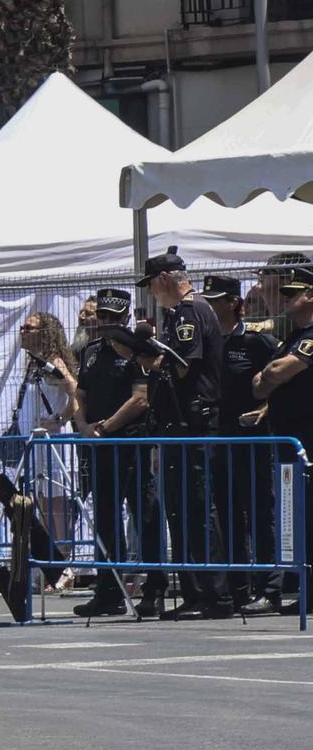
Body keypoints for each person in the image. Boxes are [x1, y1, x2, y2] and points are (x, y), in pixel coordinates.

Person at [140, 247, 230, 618]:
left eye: (151, 285)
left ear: (164, 280)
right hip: (185, 421)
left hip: (194, 419)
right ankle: (197, 592)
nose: (151, 293)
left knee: (195, 506)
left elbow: (182, 367)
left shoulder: (188, 312)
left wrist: (154, 360)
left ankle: (213, 594)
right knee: (183, 507)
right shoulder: (185, 312)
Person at [71, 290, 162, 618]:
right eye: (103, 316)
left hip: (130, 443)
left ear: (124, 317)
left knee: (145, 514)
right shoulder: (91, 352)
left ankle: (154, 589)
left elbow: (141, 398)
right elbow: (80, 393)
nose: (107, 323)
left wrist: (106, 427)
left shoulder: (139, 352)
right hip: (100, 445)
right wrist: (82, 425)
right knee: (106, 519)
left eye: (113, 317)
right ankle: (108, 590)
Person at [206, 275, 287, 614]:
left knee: (259, 511)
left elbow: (282, 384)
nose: (210, 305)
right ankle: (239, 586)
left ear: (233, 304)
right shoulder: (206, 342)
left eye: (217, 300)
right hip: (219, 437)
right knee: (227, 513)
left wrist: (265, 409)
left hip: (253, 438)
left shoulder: (257, 342)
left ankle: (270, 586)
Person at [254, 265, 313, 606]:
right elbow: (260, 386)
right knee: (297, 514)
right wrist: (270, 376)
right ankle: (302, 584)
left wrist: (271, 376)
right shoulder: (293, 335)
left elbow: (278, 371)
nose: (286, 298)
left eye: (294, 293)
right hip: (290, 435)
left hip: (307, 437)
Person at [13, 312, 80, 582]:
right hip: (36, 443)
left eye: (29, 327)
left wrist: (60, 418)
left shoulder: (54, 362)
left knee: (57, 504)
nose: (23, 331)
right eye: (23, 327)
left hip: (54, 442)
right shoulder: (33, 364)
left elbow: (74, 389)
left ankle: (63, 564)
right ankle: (51, 561)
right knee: (42, 502)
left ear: (44, 332)